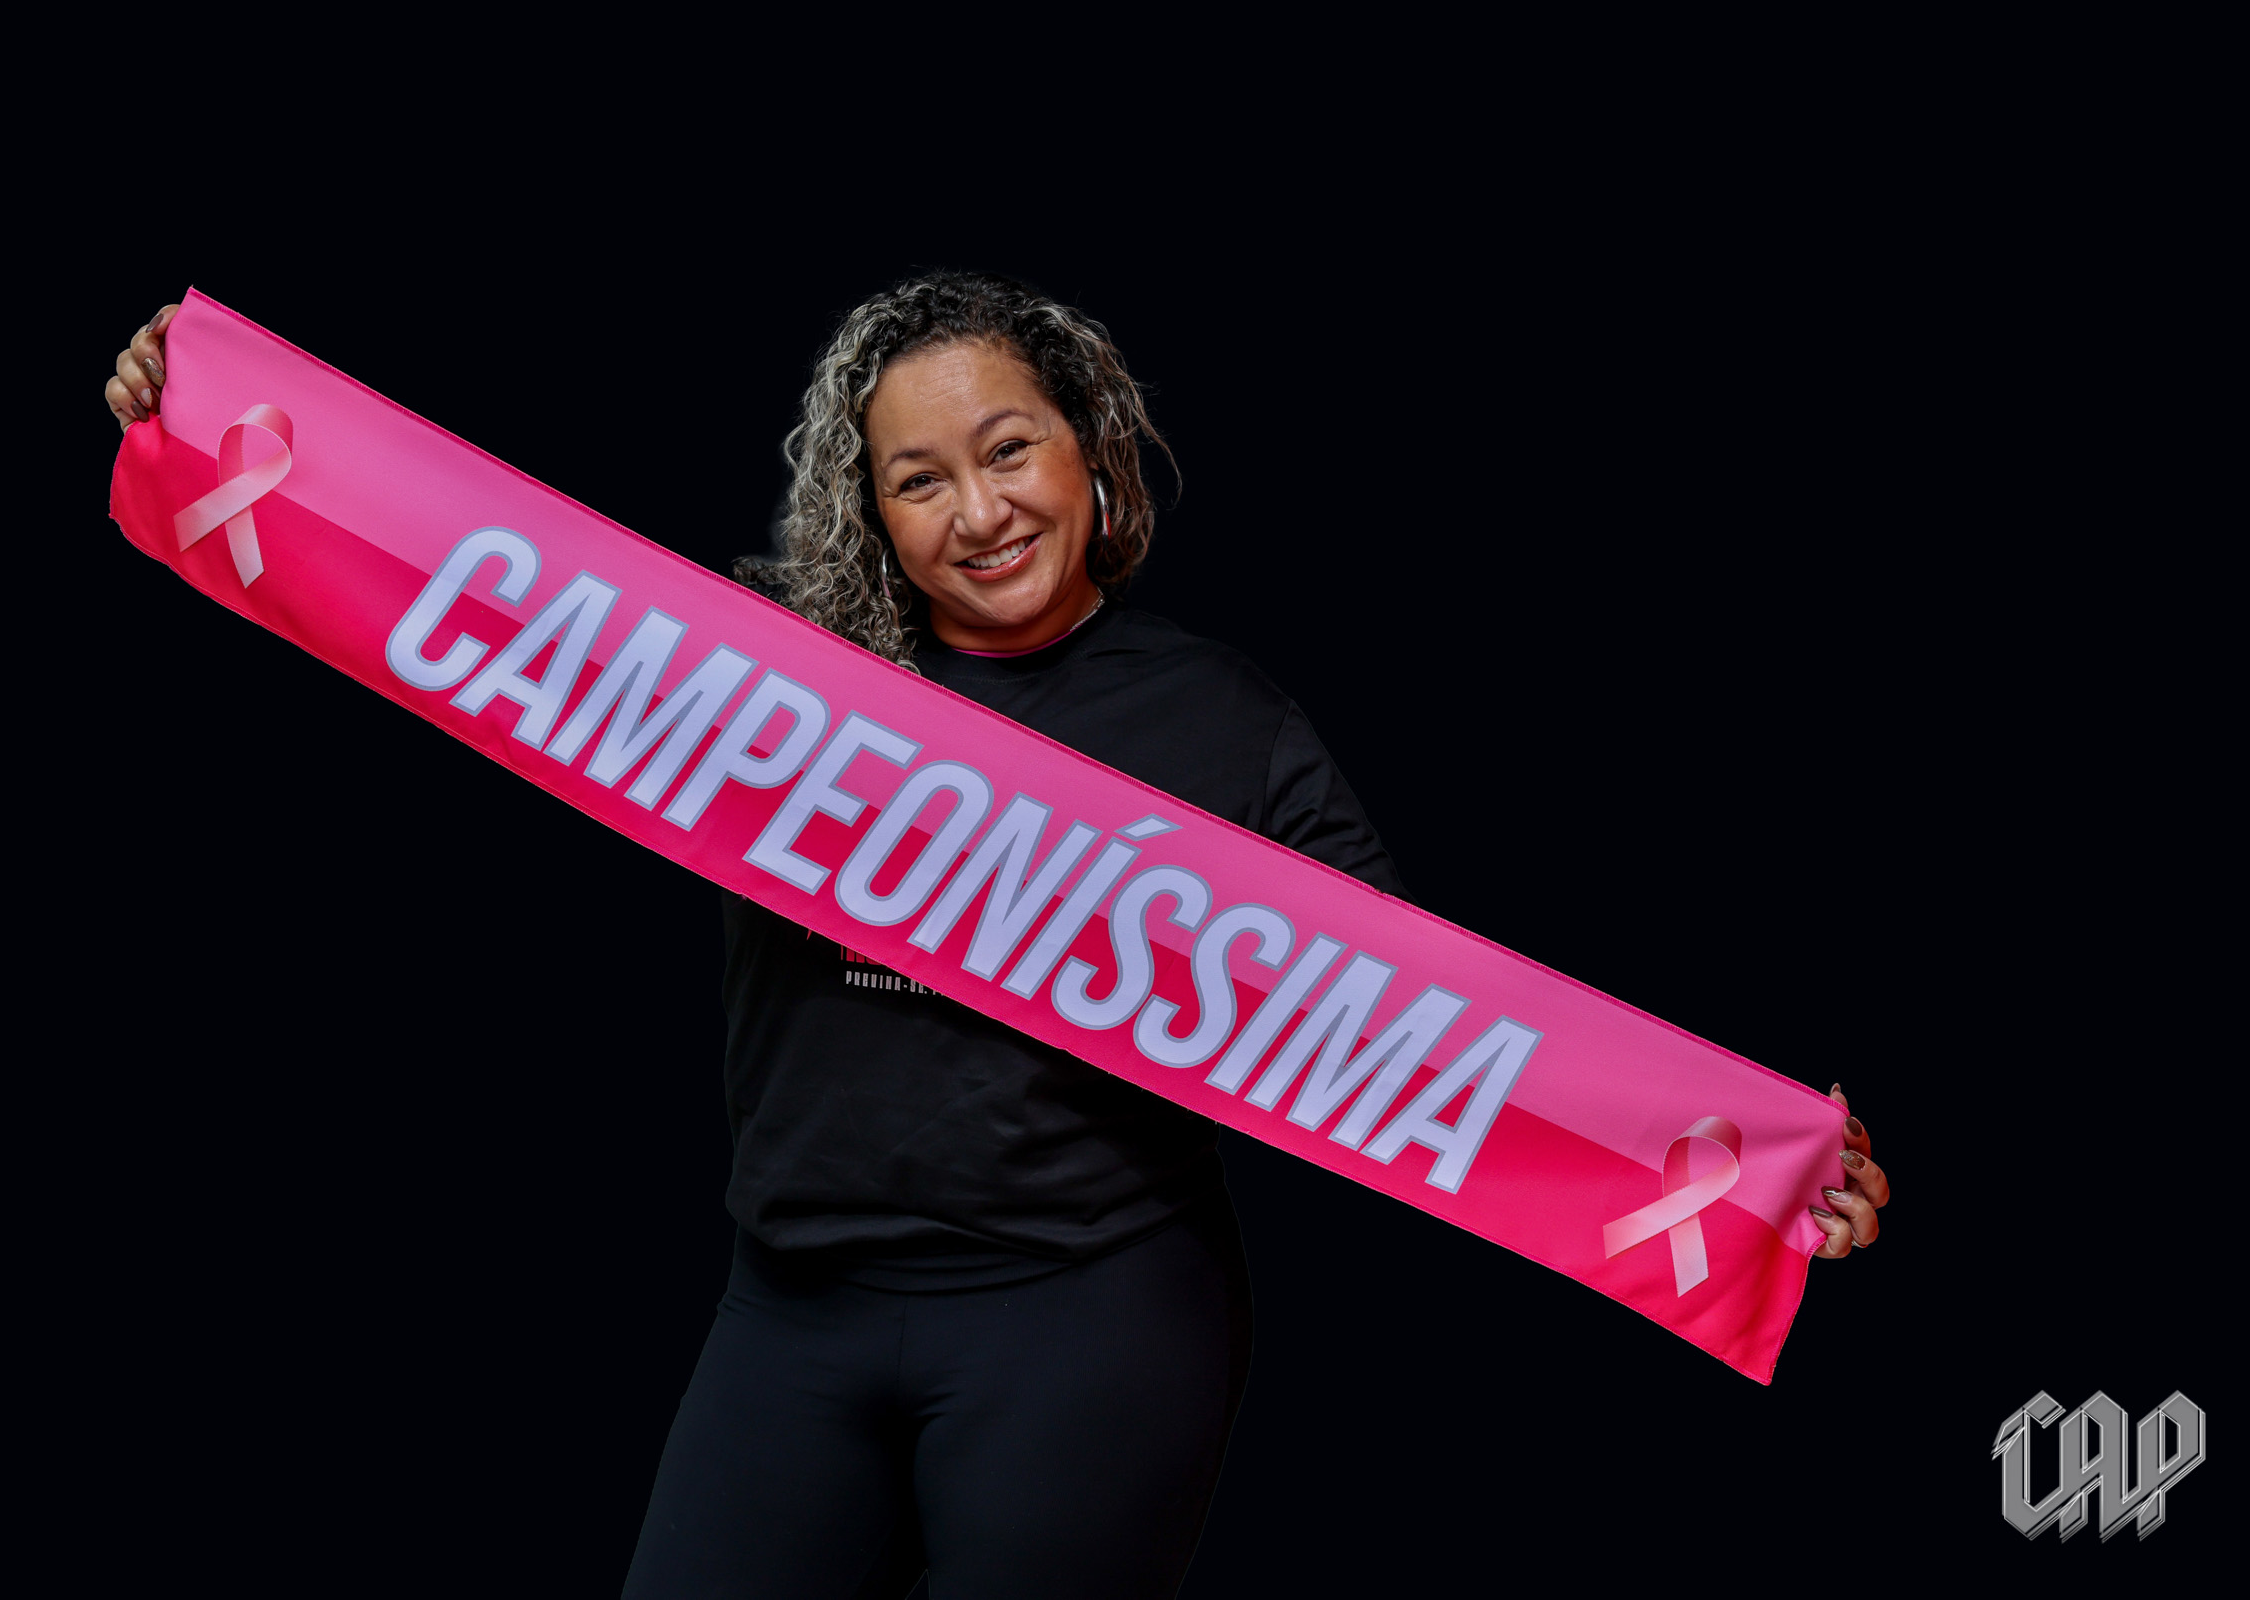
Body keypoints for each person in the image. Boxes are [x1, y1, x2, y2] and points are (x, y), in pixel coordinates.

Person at [105, 274, 1892, 1598]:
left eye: (1010, 447)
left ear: (1089, 449)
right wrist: (197, 407)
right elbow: (451, 571)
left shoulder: (1225, 722)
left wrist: (1758, 1175)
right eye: (917, 479)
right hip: (792, 1308)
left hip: (1090, 1324)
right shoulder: (761, 677)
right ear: (868, 510)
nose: (979, 514)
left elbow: (1451, 1043)